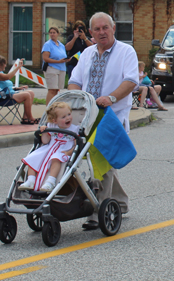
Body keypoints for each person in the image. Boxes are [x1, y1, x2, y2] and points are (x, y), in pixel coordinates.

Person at [68, 12, 139, 230]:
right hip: (87, 115)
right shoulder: (87, 53)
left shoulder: (126, 51)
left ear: (113, 28)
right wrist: (75, 101)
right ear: (90, 32)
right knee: (100, 162)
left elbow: (131, 81)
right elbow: (74, 81)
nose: (102, 32)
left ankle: (97, 210)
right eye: (97, 29)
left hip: (112, 116)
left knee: (101, 161)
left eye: (105, 28)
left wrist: (111, 97)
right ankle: (120, 202)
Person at [19, 102, 78, 192]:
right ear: (54, 120)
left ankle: (50, 182)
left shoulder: (74, 129)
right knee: (33, 157)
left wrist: (69, 152)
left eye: (69, 114)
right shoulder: (51, 126)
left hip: (63, 150)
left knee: (55, 159)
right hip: (49, 148)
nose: (68, 118)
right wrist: (45, 132)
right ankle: (30, 180)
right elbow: (45, 141)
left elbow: (76, 144)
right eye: (63, 117)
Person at [0, 57, 38, 124]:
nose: (5, 65)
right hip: (3, 97)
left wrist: (18, 88)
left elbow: (5, 86)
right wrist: (18, 67)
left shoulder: (1, 72)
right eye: (4, 64)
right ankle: (30, 118)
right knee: (26, 95)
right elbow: (8, 77)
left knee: (31, 92)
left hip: (8, 94)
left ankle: (25, 118)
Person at [42, 27, 71, 105]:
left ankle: (54, 106)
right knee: (52, 89)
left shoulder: (61, 45)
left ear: (58, 34)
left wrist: (66, 60)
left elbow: (62, 55)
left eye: (54, 32)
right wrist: (58, 61)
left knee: (57, 90)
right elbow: (45, 58)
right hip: (52, 68)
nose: (52, 34)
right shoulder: (47, 44)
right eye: (50, 33)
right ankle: (48, 109)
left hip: (61, 68)